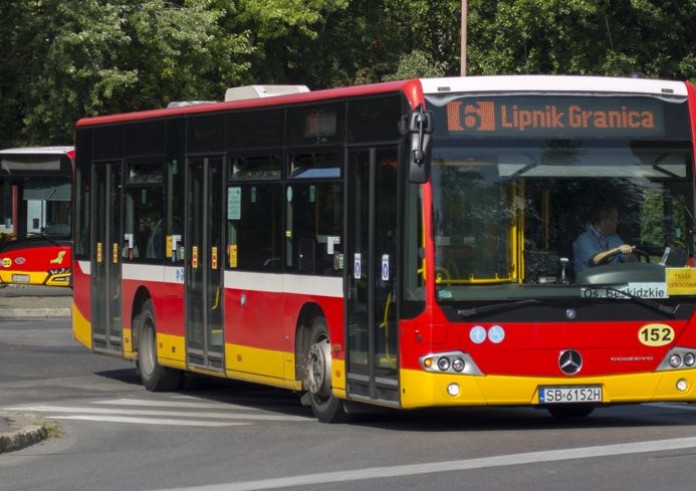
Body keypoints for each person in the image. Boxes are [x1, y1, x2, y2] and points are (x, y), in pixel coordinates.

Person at [573, 205, 636, 274]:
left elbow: (629, 260)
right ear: (605, 221)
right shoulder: (584, 239)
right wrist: (618, 250)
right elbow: (596, 260)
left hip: (615, 280)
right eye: (615, 218)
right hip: (590, 282)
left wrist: (629, 254)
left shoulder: (614, 237)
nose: (618, 222)